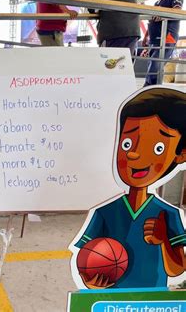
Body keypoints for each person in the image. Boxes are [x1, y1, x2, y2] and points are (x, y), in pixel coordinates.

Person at [72, 88, 186, 289]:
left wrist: (163, 241)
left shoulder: (167, 214)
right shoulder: (104, 212)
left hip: (153, 302)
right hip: (111, 302)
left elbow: (176, 270)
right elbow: (86, 262)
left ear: (181, 155)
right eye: (127, 143)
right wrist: (91, 282)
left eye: (157, 147)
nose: (133, 154)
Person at [142, 0, 183, 86]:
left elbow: (177, 11)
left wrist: (163, 14)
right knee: (152, 66)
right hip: (154, 39)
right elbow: (152, 19)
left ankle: (148, 89)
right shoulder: (159, 0)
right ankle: (150, 90)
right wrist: (146, 36)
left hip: (167, 36)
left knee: (155, 66)